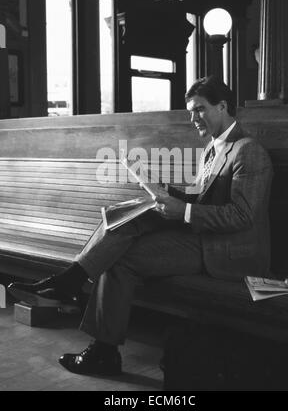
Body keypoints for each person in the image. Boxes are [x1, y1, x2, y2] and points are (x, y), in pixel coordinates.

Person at [8, 75, 273, 376]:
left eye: (199, 109)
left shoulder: (247, 150)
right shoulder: (213, 147)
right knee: (127, 214)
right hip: (202, 238)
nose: (192, 118)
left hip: (227, 252)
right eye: (190, 111)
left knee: (119, 260)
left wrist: (184, 211)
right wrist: (166, 193)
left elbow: (242, 216)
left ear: (222, 106)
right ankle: (73, 289)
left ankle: (84, 314)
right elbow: (203, 196)